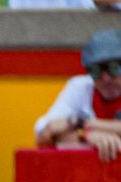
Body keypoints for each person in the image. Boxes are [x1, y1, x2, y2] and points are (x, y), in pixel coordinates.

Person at [35, 28, 121, 164]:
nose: (106, 78)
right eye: (96, 70)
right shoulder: (80, 86)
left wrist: (83, 124)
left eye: (114, 68)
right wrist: (85, 136)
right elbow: (45, 135)